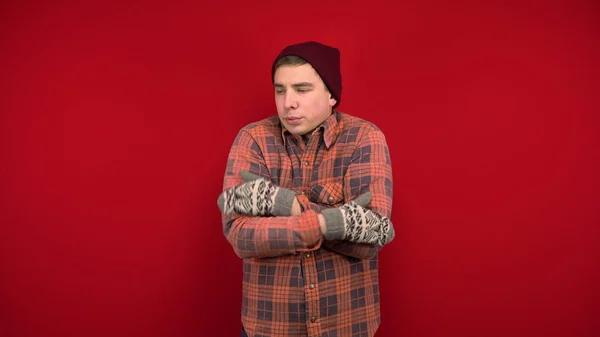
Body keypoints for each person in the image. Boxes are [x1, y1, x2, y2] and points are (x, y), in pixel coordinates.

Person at [217, 41, 395, 337]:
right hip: (269, 328)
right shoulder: (253, 139)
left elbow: (371, 238)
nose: (288, 102)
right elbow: (240, 235)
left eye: (302, 89)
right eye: (280, 90)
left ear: (331, 95)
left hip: (348, 326)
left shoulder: (364, 138)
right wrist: (333, 222)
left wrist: (287, 205)